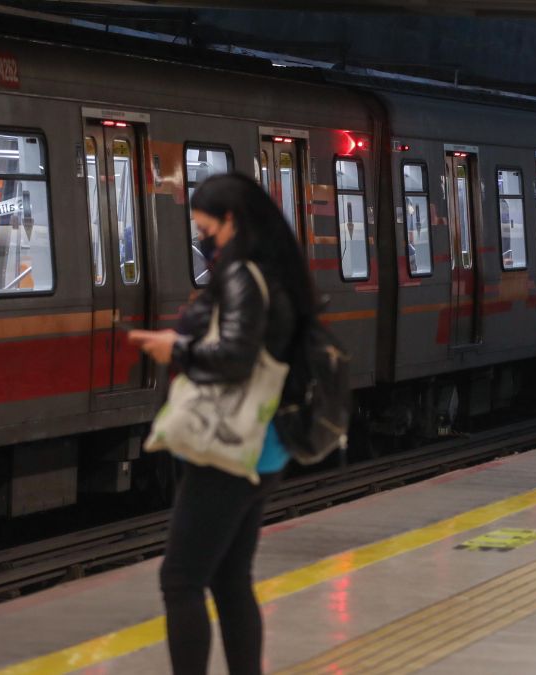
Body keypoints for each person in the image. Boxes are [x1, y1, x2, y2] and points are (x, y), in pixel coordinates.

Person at [129, 173, 315, 675]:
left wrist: (177, 348)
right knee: (230, 580)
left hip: (231, 446)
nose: (202, 239)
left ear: (230, 221)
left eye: (204, 228)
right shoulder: (274, 268)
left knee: (180, 580)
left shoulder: (239, 275)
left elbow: (235, 356)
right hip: (264, 444)